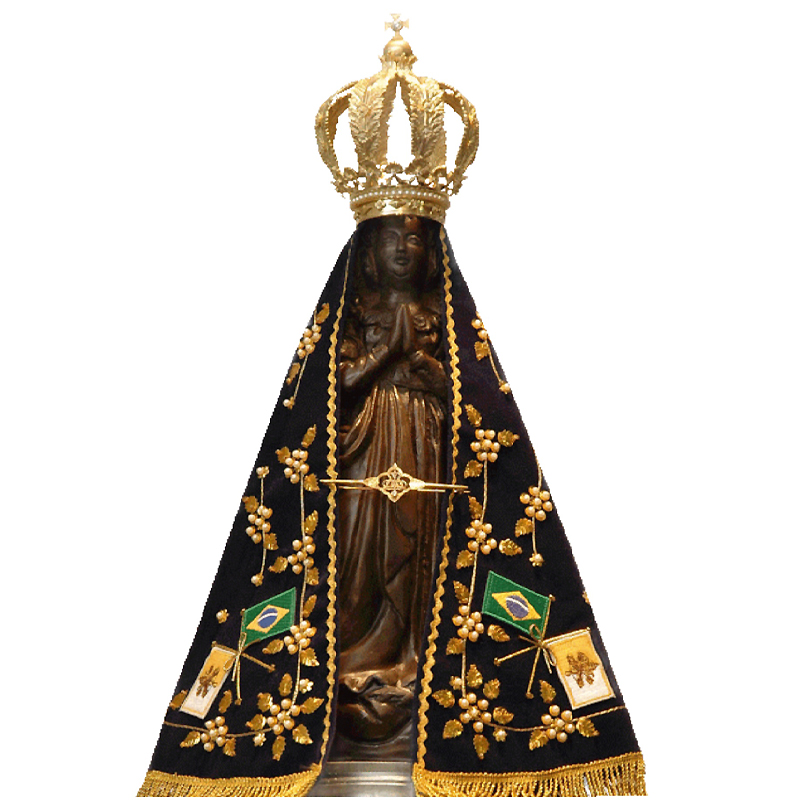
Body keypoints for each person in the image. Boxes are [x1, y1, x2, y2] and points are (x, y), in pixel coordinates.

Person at [334, 214, 446, 750]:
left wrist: (418, 357)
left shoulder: (441, 313)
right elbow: (338, 383)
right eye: (390, 238)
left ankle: (409, 659)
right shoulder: (358, 310)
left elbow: (467, 390)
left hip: (424, 442)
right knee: (359, 557)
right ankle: (355, 659)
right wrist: (386, 353)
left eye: (414, 238)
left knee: (419, 549)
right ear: (370, 253)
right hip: (367, 441)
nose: (402, 248)